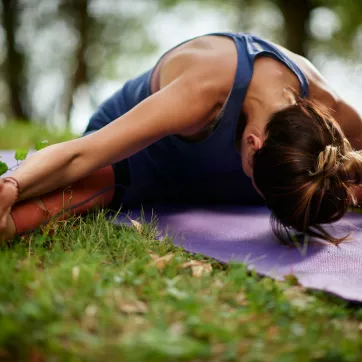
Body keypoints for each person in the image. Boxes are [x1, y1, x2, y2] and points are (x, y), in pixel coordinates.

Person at [1, 32, 362, 244]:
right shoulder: (205, 88)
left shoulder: (330, 108)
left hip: (219, 174)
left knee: (322, 187)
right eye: (261, 192)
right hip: (143, 156)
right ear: (254, 145)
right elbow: (82, 155)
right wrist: (13, 185)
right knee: (75, 188)